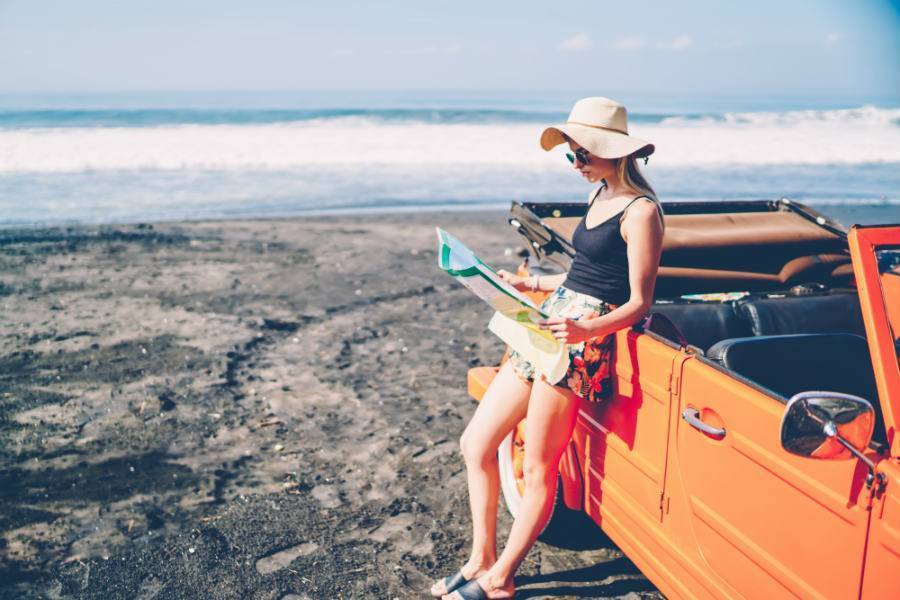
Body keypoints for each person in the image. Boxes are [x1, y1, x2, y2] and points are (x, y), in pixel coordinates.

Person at [430, 97, 665, 600]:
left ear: (614, 153)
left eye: (584, 155)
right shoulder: (600, 193)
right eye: (571, 156)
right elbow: (588, 273)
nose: (576, 165)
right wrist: (538, 286)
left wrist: (588, 331)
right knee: (476, 444)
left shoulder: (642, 212)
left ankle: (500, 579)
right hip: (545, 325)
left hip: (580, 345)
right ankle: (480, 558)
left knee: (539, 465)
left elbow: (639, 302)